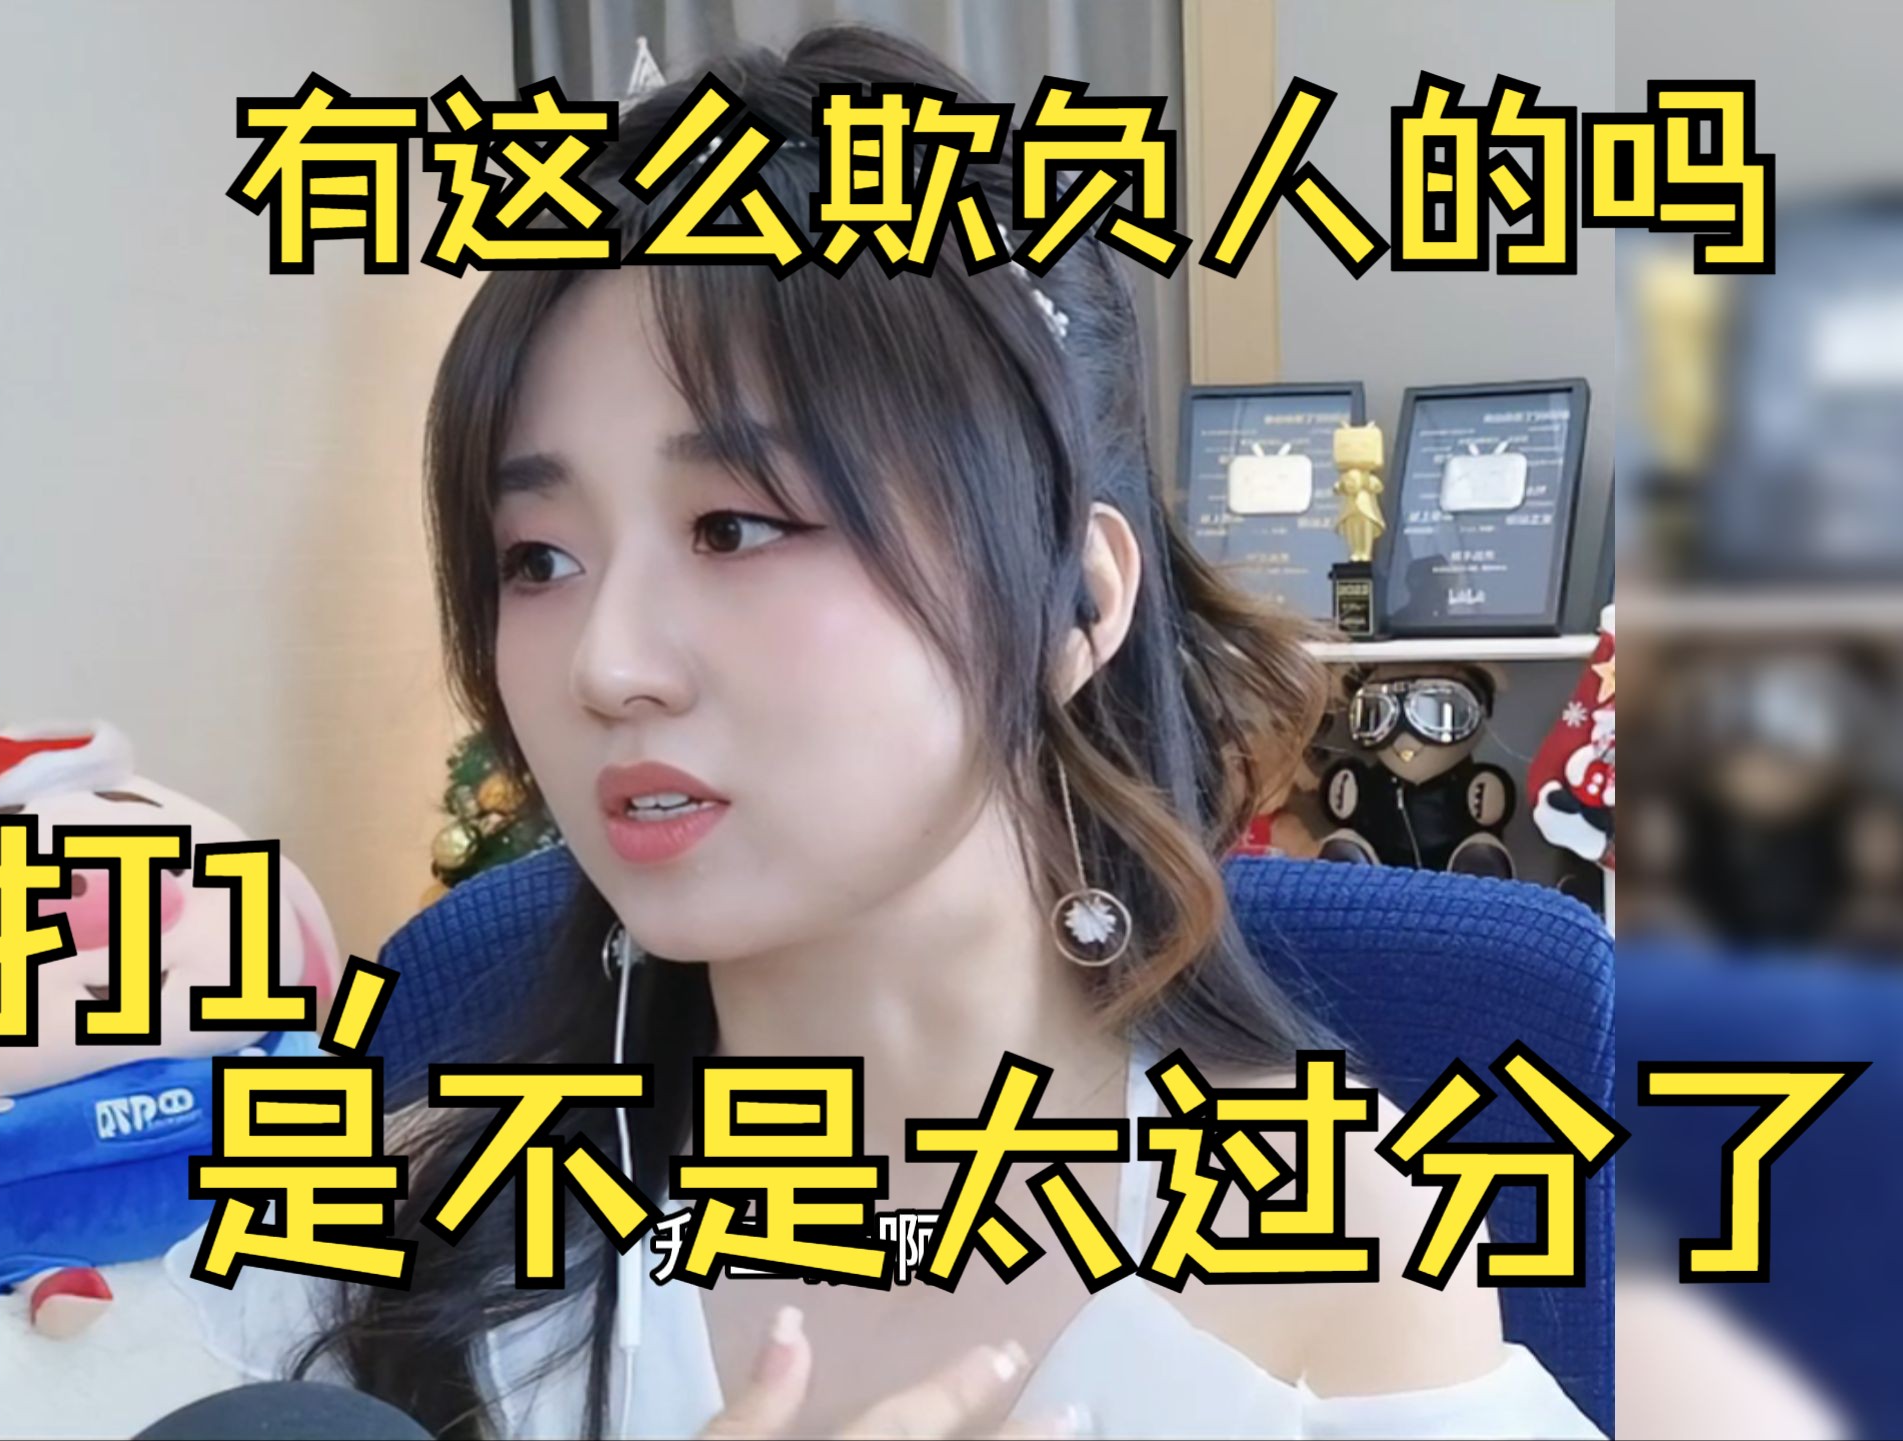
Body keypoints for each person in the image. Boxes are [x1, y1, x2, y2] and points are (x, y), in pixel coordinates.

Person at [178, 25, 1602, 1439]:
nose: (607, 666)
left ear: (1076, 600)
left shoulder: (1332, 1256)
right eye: (537, 558)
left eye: (735, 527)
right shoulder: (403, 1237)